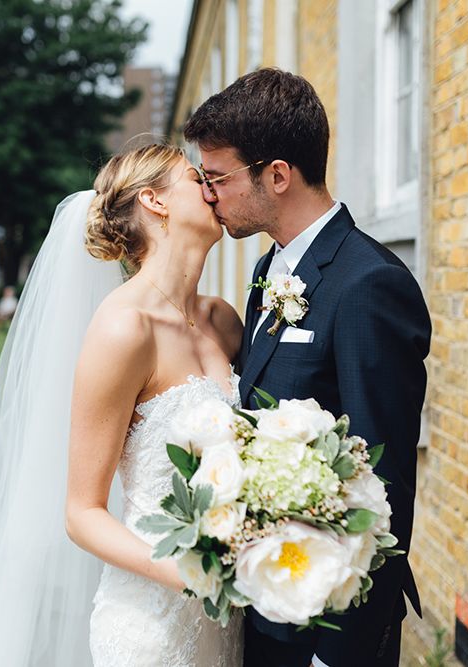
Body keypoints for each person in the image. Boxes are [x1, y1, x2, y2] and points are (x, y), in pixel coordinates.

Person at [184, 68, 432, 667]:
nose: (208, 194)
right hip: (266, 615)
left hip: (327, 633)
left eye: (216, 178)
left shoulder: (370, 284)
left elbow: (384, 485)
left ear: (276, 175)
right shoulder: (269, 271)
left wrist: (336, 656)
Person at [0, 143, 244, 666]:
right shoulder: (124, 328)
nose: (211, 187)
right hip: (150, 622)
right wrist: (190, 573)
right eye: (194, 177)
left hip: (227, 618)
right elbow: (81, 513)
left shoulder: (223, 322)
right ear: (154, 202)